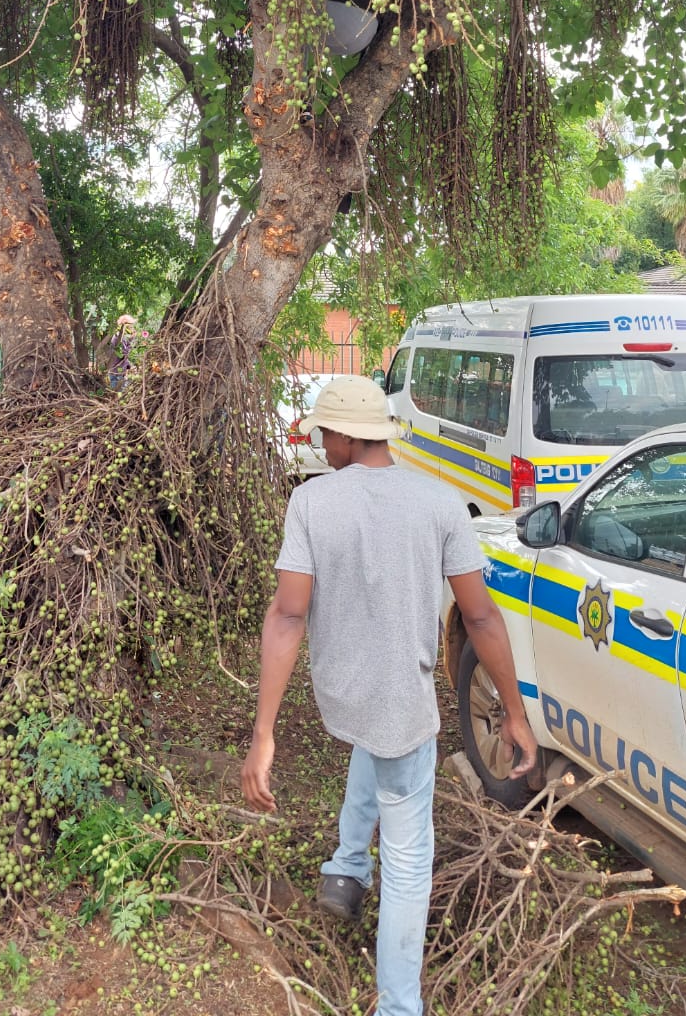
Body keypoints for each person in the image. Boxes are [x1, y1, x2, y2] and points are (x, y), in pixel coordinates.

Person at [241, 375, 538, 1016]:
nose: (321, 443)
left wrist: (264, 732)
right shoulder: (439, 503)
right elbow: (482, 619)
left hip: (344, 696)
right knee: (409, 855)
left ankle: (350, 871)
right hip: (400, 706)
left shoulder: (312, 504)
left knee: (378, 751)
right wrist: (514, 713)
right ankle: (400, 1004)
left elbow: (288, 617)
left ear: (347, 436)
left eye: (325, 433)